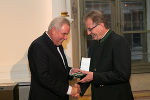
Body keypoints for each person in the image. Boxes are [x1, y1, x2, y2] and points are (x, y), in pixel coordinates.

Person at [78, 10, 134, 100]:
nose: (88, 33)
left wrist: (95, 76)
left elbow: (123, 74)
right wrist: (79, 87)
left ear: (101, 25)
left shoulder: (119, 42)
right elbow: (90, 70)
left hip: (116, 96)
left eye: (90, 29)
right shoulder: (93, 44)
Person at [28, 16, 80, 100]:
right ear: (53, 31)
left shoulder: (57, 43)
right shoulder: (38, 46)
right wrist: (69, 90)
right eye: (64, 34)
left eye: (67, 34)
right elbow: (43, 77)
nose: (66, 38)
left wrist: (70, 71)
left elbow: (56, 68)